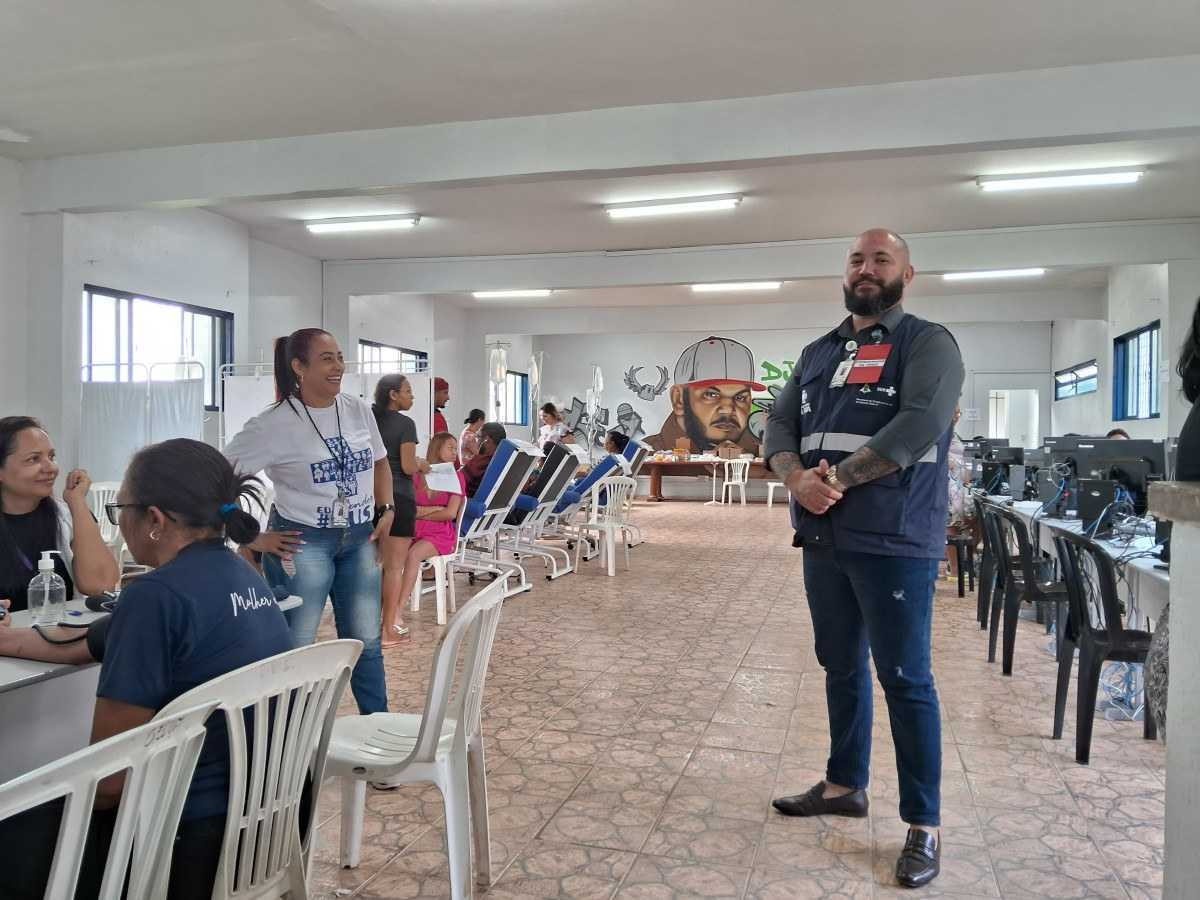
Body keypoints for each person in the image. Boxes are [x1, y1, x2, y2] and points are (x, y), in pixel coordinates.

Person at [0, 438, 292, 899]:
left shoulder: (155, 597)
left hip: (179, 831)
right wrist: (13, 640)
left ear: (154, 519)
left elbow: (111, 783)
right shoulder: (242, 575)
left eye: (122, 511)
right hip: (261, 813)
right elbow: (100, 638)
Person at [764, 229, 965, 889]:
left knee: (906, 678)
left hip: (894, 537)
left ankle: (923, 824)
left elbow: (916, 425)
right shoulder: (820, 351)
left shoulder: (927, 344)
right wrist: (797, 479)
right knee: (839, 666)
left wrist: (839, 480)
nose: (867, 268)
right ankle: (845, 783)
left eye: (882, 259)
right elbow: (779, 424)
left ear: (908, 272)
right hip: (824, 537)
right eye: (857, 258)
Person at [224, 327, 393, 715]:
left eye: (339, 356)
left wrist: (386, 509)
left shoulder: (357, 408)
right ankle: (286, 748)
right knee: (294, 649)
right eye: (327, 359)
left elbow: (380, 461)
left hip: (360, 538)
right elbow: (215, 480)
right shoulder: (272, 425)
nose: (338, 367)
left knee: (366, 641)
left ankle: (377, 727)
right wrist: (252, 538)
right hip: (302, 543)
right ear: (298, 366)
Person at [0, 417, 119, 611]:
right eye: (34, 459)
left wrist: (77, 502)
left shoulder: (67, 515)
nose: (51, 468)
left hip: (59, 636)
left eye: (51, 457)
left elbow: (101, 585)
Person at [372, 374, 430, 647]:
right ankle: (388, 630)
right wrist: (422, 463)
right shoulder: (406, 424)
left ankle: (367, 626)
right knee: (394, 567)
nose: (412, 396)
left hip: (370, 497)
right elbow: (407, 466)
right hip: (398, 497)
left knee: (372, 564)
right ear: (393, 395)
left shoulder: (368, 419)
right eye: (408, 391)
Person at [644, 336, 764, 454]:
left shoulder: (765, 455)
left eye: (740, 398)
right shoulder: (644, 455)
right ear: (679, 399)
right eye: (711, 395)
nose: (727, 409)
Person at [397, 433, 466, 606]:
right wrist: (434, 509)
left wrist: (420, 512)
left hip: (440, 533)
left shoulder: (457, 477)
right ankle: (384, 602)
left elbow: (450, 514)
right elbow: (407, 509)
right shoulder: (417, 475)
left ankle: (399, 607)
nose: (454, 452)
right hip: (412, 528)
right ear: (437, 448)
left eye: (455, 448)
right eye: (450, 447)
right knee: (389, 553)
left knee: (414, 555)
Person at [463, 422, 507, 497]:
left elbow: (458, 481)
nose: (476, 441)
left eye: (478, 437)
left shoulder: (480, 462)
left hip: (469, 502)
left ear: (486, 440)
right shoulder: (505, 460)